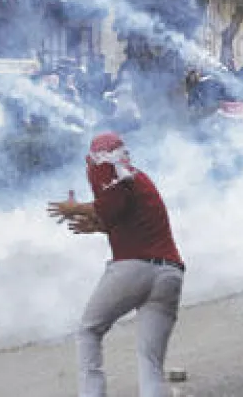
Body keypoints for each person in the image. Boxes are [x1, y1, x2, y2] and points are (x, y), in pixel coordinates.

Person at [48, 132, 184, 397]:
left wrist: (75, 208)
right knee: (151, 363)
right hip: (170, 273)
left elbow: (109, 203)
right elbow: (123, 216)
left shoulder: (106, 169)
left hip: (133, 268)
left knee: (89, 331)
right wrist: (97, 226)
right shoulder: (139, 177)